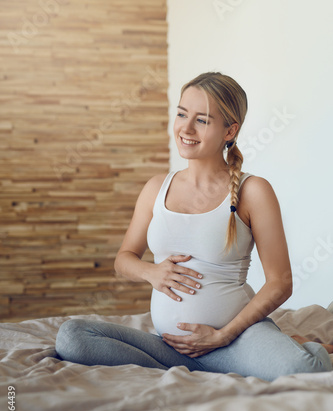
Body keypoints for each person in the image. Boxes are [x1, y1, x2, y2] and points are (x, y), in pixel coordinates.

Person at [56, 72, 333, 381]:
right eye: (181, 114)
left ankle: (281, 351)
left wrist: (223, 336)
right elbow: (124, 259)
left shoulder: (253, 191)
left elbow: (280, 282)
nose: (185, 128)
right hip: (170, 346)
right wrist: (152, 272)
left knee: (302, 370)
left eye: (202, 120)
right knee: (72, 336)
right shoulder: (156, 188)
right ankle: (202, 364)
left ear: (230, 130)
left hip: (236, 339)